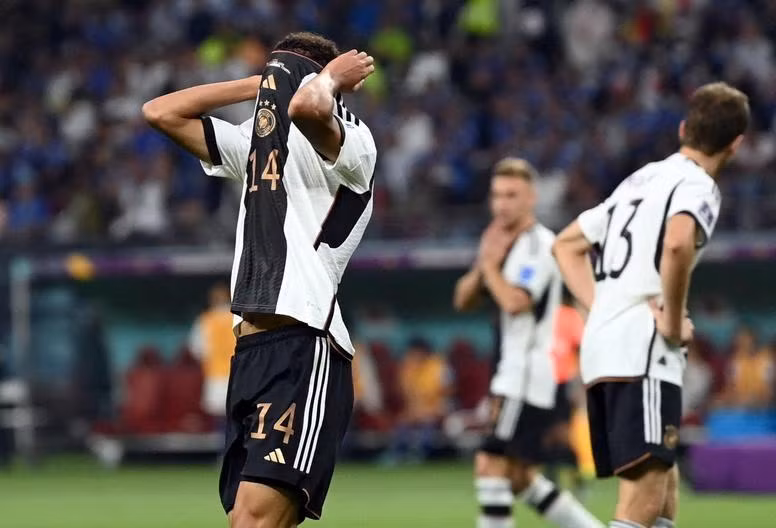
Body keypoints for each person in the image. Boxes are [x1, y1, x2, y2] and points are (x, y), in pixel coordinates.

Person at [143, 32, 377, 527]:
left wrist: (327, 80)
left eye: (282, 72)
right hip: (251, 351)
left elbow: (309, 109)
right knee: (245, 519)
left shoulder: (353, 138)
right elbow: (160, 112)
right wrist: (256, 85)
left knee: (253, 520)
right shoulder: (259, 140)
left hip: (304, 344)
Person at [552, 82, 750, 528]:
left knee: (662, 488)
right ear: (736, 145)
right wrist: (675, 321)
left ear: (683, 129)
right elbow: (677, 243)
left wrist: (603, 307)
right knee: (643, 498)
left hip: (606, 346)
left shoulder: (640, 179)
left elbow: (566, 245)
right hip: (642, 349)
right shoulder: (698, 184)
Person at [453, 158, 603, 528]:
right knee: (519, 477)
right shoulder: (502, 243)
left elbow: (516, 302)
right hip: (515, 371)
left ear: (531, 198)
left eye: (511, 195)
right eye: (497, 195)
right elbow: (462, 300)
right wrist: (485, 262)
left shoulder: (539, 244)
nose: (502, 204)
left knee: (490, 463)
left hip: (525, 372)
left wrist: (491, 266)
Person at [189, 282, 236, 425]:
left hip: (215, 375)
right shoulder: (238, 317)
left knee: (220, 421)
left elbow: (196, 350)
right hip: (238, 374)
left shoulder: (205, 320)